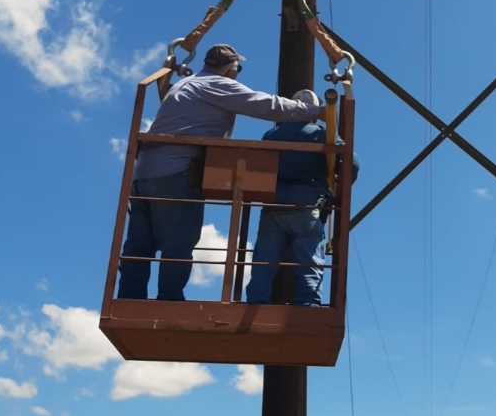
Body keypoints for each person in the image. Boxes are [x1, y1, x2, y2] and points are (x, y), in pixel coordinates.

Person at [117, 45, 323, 302]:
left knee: (139, 244)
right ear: (231, 68)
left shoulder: (185, 84)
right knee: (177, 242)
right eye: (238, 69)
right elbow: (267, 105)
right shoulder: (218, 84)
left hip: (143, 172)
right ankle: (169, 300)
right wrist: (318, 111)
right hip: (176, 172)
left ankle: (129, 299)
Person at [246, 89, 359, 307]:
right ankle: (308, 304)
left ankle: (256, 302)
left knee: (264, 261)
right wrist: (340, 183)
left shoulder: (271, 135)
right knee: (310, 260)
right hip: (307, 207)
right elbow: (350, 163)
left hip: (273, 207)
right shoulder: (320, 134)